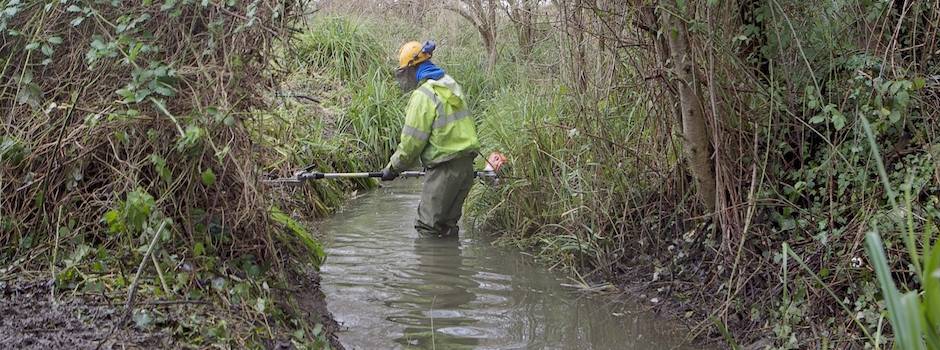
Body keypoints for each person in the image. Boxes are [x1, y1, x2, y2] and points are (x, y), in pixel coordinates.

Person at [381, 40, 480, 238]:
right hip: (466, 167)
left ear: (412, 68)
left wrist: (392, 168)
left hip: (444, 170)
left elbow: (412, 143)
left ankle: (431, 268)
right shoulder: (450, 84)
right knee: (448, 226)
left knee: (427, 228)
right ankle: (452, 265)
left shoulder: (423, 95)